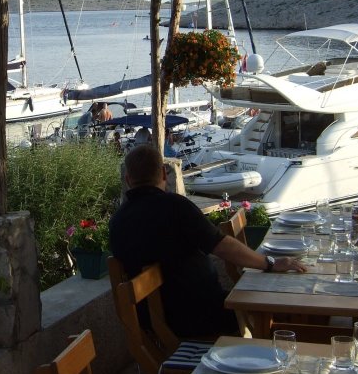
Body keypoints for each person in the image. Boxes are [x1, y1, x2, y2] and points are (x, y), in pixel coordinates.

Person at [110, 145, 305, 338]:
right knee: (283, 306)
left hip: (156, 324)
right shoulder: (176, 207)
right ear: (163, 173)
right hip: (201, 316)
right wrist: (269, 263)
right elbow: (222, 246)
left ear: (128, 180)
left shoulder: (117, 222)